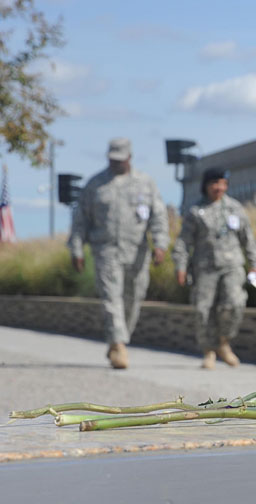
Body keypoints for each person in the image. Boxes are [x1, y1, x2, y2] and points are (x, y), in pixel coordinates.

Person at [68, 138, 169, 369]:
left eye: (120, 159)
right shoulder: (95, 185)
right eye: (112, 159)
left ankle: (116, 342)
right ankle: (119, 345)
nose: (115, 163)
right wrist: (76, 249)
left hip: (137, 251)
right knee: (111, 298)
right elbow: (80, 220)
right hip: (106, 250)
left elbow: (159, 216)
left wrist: (160, 244)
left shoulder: (146, 183)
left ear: (129, 158)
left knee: (133, 298)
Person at [172, 167, 256, 369]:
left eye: (223, 183)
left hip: (232, 266)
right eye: (215, 183)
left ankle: (224, 342)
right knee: (203, 310)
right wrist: (180, 266)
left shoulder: (235, 209)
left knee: (234, 303)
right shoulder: (196, 212)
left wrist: (255, 265)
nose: (219, 188)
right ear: (206, 185)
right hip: (205, 268)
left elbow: (249, 240)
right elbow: (183, 242)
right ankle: (209, 352)